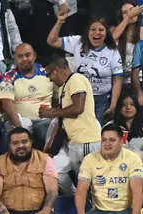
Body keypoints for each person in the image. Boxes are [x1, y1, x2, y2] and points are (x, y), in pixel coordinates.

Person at [71, 124, 143, 214]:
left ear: (122, 141)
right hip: (99, 212)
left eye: (112, 140)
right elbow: (81, 191)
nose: (107, 143)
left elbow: (137, 191)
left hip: (125, 212)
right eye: (104, 140)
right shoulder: (89, 159)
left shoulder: (133, 158)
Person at [42, 55, 102, 196]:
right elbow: (63, 120)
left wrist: (52, 112)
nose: (50, 79)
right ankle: (82, 207)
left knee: (91, 185)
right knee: (83, 184)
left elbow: (78, 108)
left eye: (49, 74)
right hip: (75, 142)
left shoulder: (76, 79)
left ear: (55, 70)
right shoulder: (66, 85)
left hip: (86, 140)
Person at [48, 12, 123, 120]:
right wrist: (60, 21)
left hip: (100, 100)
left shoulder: (112, 52)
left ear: (106, 33)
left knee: (96, 132)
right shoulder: (78, 42)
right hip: (77, 96)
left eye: (101, 30)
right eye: (93, 30)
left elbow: (117, 80)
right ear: (87, 32)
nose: (97, 33)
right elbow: (52, 41)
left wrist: (112, 106)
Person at [0, 44, 55, 147]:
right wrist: (20, 129)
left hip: (44, 121)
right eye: (20, 56)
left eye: (28, 55)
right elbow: (7, 104)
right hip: (19, 121)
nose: (24, 59)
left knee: (54, 136)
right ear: (15, 59)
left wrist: (53, 113)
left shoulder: (48, 72)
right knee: (8, 134)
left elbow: (60, 97)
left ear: (34, 55)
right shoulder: (8, 77)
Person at [115, 93, 143, 169]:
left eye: (132, 104)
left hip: (139, 168)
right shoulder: (110, 127)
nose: (128, 107)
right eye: (124, 105)